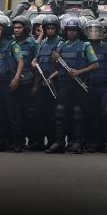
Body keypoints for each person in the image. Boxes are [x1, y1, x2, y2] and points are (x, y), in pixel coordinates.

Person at [47, 17, 99, 154]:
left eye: (74, 30)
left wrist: (79, 72)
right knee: (60, 113)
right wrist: (55, 60)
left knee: (78, 113)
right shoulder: (62, 46)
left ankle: (78, 143)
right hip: (64, 84)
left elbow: (95, 64)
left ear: (79, 31)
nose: (71, 33)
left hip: (79, 85)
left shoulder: (85, 46)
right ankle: (59, 142)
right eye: (69, 30)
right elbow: (57, 67)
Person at [0, 14, 24, 152]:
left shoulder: (13, 44)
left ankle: (17, 142)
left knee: (12, 114)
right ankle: (1, 142)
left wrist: (16, 79)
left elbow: (20, 61)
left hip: (9, 82)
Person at [85, 19, 107, 153]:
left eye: (97, 30)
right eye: (91, 30)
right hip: (90, 85)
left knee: (106, 112)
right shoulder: (85, 46)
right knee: (92, 114)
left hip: (105, 86)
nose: (94, 33)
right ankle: (94, 143)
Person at [33, 15, 62, 149]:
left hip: (54, 84)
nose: (50, 31)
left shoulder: (60, 43)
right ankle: (39, 142)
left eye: (52, 28)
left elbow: (62, 66)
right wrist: (34, 62)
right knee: (39, 113)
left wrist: (51, 77)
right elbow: (37, 61)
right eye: (48, 28)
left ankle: (52, 141)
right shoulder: (43, 44)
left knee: (53, 114)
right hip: (42, 84)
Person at [12, 15, 39, 150]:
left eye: (19, 27)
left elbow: (37, 65)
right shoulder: (11, 42)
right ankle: (19, 140)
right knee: (16, 112)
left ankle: (33, 140)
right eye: (15, 27)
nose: (16, 30)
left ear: (26, 28)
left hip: (28, 83)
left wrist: (35, 85)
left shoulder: (33, 43)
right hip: (14, 83)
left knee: (29, 112)